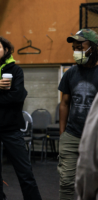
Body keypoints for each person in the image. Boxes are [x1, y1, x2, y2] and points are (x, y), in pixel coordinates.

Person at [0, 36, 42, 200]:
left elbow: (17, 98)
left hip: (11, 128)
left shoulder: (16, 71)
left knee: (24, 171)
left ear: (5, 50)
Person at [58, 29, 98, 200]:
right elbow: (64, 104)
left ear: (93, 48)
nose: (77, 52)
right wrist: (62, 134)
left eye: (81, 47)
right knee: (66, 182)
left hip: (95, 138)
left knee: (92, 184)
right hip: (72, 136)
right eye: (74, 48)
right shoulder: (70, 74)